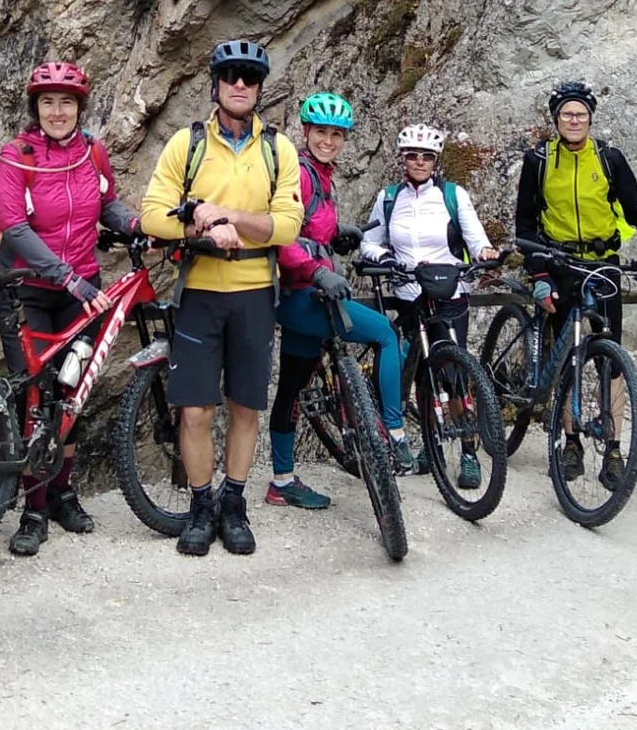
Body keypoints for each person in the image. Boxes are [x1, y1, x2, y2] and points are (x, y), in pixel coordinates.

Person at [140, 39, 302, 557]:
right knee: (195, 411)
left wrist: (227, 214)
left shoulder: (278, 149)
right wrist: (200, 219)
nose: (239, 84)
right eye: (230, 74)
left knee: (245, 407)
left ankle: (234, 504)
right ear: (215, 83)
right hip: (200, 292)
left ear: (259, 89)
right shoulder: (186, 144)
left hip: (255, 292)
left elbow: (288, 226)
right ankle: (201, 506)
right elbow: (152, 215)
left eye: (249, 77)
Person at [0, 61, 142, 558]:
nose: (57, 112)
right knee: (38, 397)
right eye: (48, 102)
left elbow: (106, 205)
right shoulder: (16, 156)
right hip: (32, 290)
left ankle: (61, 493)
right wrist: (66, 277)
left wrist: (136, 225)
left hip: (81, 290)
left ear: (80, 108)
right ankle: (32, 509)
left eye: (67, 102)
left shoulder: (92, 152)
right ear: (35, 108)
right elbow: (15, 229)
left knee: (72, 393)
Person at [513, 79, 637, 489]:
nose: (574, 120)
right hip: (558, 262)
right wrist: (539, 274)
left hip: (603, 264)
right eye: (567, 114)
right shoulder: (539, 160)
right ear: (556, 120)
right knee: (567, 355)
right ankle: (570, 442)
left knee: (610, 359)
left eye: (581, 114)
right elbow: (525, 224)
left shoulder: (608, 158)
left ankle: (615, 450)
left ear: (590, 119)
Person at [265, 91, 415, 508]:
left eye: (337, 135)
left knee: (291, 389)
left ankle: (281, 481)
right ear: (306, 131)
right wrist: (317, 271)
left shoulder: (320, 175)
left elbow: (309, 229)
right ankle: (395, 433)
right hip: (305, 294)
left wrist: (337, 232)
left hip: (299, 296)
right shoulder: (300, 174)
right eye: (321, 132)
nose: (328, 141)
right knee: (386, 335)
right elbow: (282, 235)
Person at [359, 123, 499, 489]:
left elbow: (475, 236)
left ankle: (468, 452)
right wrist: (385, 257)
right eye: (412, 155)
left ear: (436, 160)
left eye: (426, 156)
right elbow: (368, 242)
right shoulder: (389, 198)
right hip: (409, 296)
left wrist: (484, 251)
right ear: (403, 159)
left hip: (450, 294)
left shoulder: (453, 195)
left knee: (454, 374)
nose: (419, 161)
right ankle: (431, 444)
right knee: (423, 375)